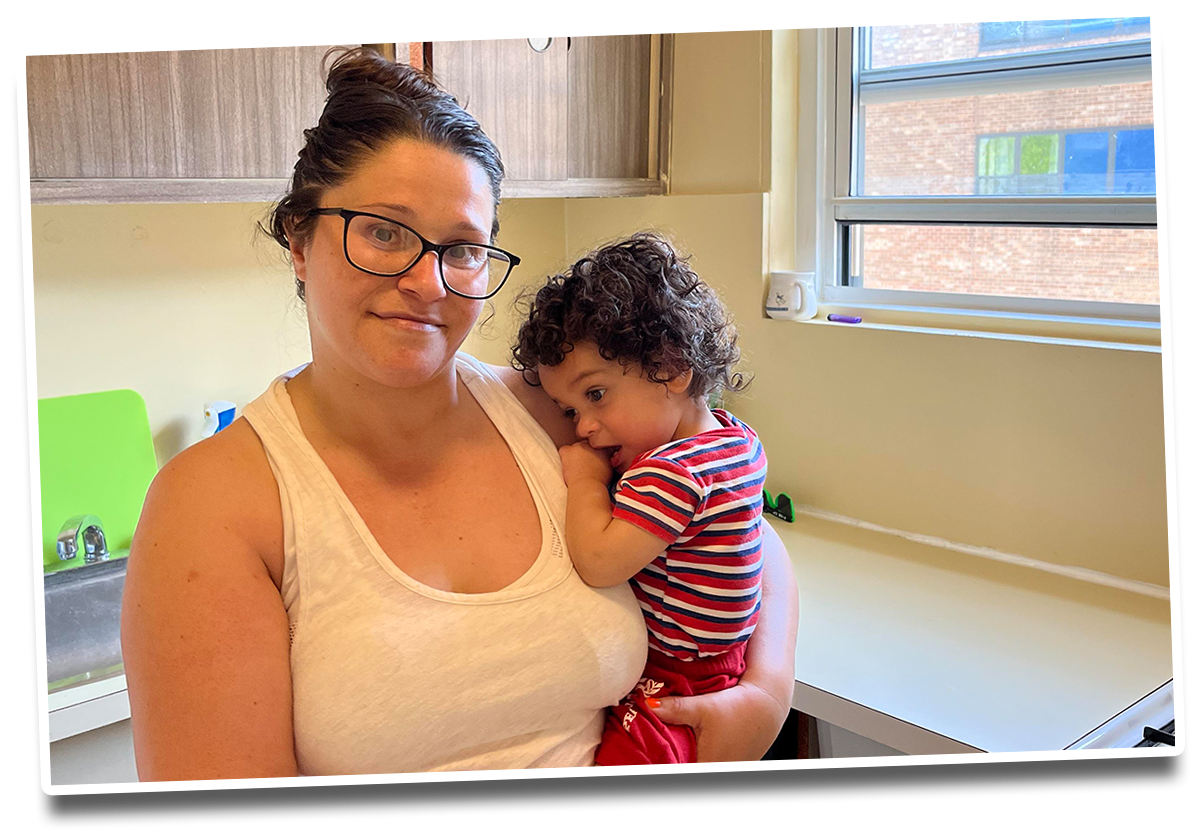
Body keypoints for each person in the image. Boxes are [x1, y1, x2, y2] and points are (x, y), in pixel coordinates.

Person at [120, 47, 798, 779]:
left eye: (464, 248)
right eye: (383, 230)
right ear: (299, 242)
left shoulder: (553, 415)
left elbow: (744, 530)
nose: (426, 281)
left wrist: (765, 692)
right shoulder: (215, 505)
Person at [512, 233, 766, 765]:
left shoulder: (672, 474)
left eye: (596, 395)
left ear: (672, 369)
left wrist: (583, 481)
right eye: (569, 410)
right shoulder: (733, 438)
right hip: (724, 662)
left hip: (677, 680)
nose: (585, 428)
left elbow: (601, 562)